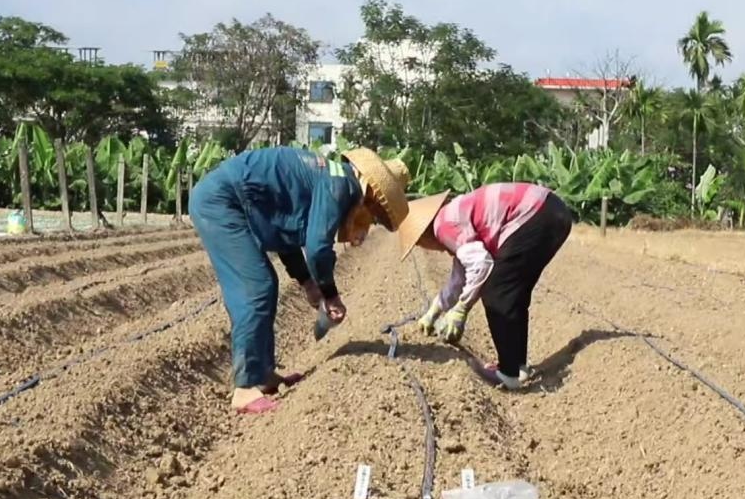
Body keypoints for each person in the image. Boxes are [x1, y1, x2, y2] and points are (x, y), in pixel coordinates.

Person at [189, 146, 409, 414]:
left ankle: (263, 374)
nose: (372, 218)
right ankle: (245, 388)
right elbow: (317, 247)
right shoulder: (342, 187)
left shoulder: (333, 177)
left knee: (265, 284)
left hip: (231, 200)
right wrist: (330, 293)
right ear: (374, 194)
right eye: (376, 212)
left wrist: (307, 282)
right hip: (222, 202)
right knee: (256, 287)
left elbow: (285, 231)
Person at [396, 182, 572, 390]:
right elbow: (460, 277)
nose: (424, 248)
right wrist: (436, 310)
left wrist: (461, 310)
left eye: (419, 243)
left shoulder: (442, 226)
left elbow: (481, 265)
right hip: (551, 210)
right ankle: (516, 366)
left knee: (497, 293)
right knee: (513, 294)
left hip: (538, 212)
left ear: (423, 233)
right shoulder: (452, 216)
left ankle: (508, 374)